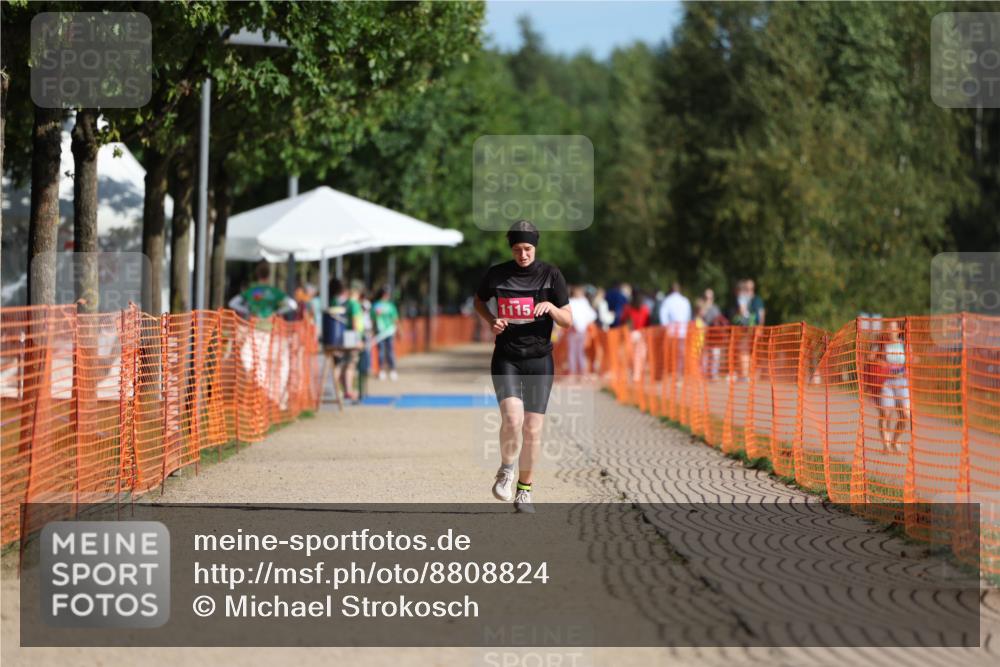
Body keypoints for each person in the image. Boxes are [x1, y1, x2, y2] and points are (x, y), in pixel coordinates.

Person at [474, 220, 572, 513]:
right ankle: (506, 469)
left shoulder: (551, 274)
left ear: (535, 247)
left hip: (540, 359)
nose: (523, 254)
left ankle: (525, 490)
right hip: (506, 356)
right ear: (511, 249)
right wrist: (492, 320)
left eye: (527, 248)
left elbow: (568, 319)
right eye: (517, 249)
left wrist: (552, 309)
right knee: (513, 420)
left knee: (532, 428)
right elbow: (479, 301)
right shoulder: (497, 274)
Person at [869, 320, 910, 453]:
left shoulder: (904, 344)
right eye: (889, 328)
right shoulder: (882, 344)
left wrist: (910, 364)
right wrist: (880, 361)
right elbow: (870, 357)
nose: (891, 331)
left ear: (899, 330)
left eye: (893, 328)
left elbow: (912, 358)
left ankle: (895, 440)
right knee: (886, 413)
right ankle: (886, 444)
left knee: (905, 415)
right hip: (887, 382)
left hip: (902, 382)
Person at [325, 278, 365, 402]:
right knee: (349, 365)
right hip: (351, 339)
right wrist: (358, 339)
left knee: (340, 365)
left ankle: (335, 390)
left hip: (340, 338)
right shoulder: (353, 304)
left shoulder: (340, 302)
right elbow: (355, 322)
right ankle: (346, 391)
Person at [228, 262, 296, 320]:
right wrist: (278, 312)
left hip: (253, 324)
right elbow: (293, 305)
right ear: (268, 275)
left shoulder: (250, 291)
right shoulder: (275, 291)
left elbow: (232, 303)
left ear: (257, 275)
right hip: (270, 326)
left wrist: (247, 311)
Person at [659, 282, 692, 375]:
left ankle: (673, 371)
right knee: (681, 353)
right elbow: (688, 316)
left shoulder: (667, 300)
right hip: (683, 331)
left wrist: (665, 328)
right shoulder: (685, 301)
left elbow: (663, 317)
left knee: (672, 353)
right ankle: (679, 371)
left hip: (671, 332)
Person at [620, 290, 651, 383]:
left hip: (631, 334)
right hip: (641, 334)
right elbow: (648, 322)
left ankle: (634, 373)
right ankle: (636, 375)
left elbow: (622, 320)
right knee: (639, 355)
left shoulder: (627, 308)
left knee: (631, 355)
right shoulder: (645, 309)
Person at [567, 285, 597, 376]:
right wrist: (573, 324)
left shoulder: (584, 301)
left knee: (581, 351)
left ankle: (582, 371)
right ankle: (572, 371)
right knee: (572, 351)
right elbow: (569, 315)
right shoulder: (570, 301)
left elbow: (591, 315)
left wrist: (585, 324)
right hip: (572, 330)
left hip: (582, 331)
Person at [372, 286, 400, 380]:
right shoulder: (376, 305)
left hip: (389, 331)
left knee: (389, 351)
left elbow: (395, 319)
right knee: (382, 352)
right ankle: (382, 371)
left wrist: (399, 330)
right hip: (380, 333)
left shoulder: (390, 306)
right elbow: (373, 319)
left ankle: (392, 370)